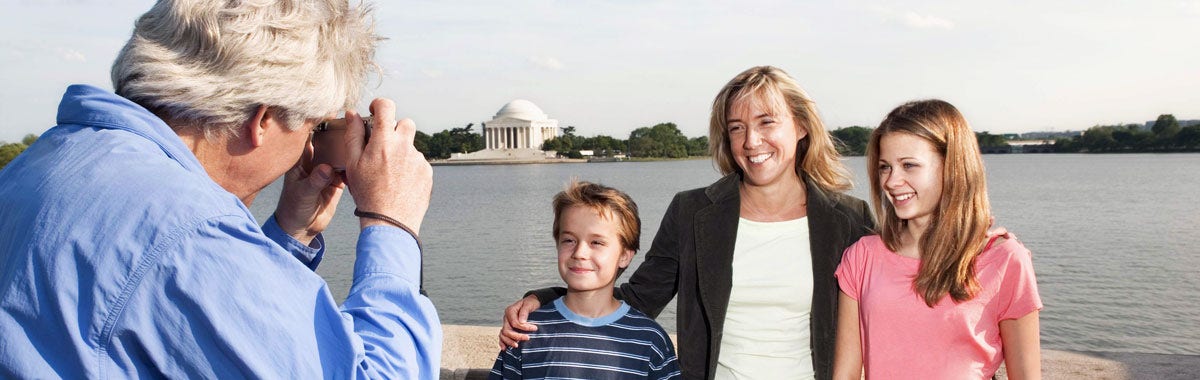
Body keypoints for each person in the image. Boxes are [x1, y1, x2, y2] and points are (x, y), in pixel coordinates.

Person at [0, 1, 441, 378]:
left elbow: (196, 328)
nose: (307, 145)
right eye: (312, 125)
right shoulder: (188, 231)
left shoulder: (44, 163)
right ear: (262, 121)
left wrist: (289, 233)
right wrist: (390, 221)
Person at [500, 66, 875, 380]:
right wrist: (543, 298)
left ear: (801, 127)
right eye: (736, 127)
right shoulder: (692, 212)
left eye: (766, 122)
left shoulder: (849, 220)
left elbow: (878, 317)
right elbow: (638, 299)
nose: (751, 140)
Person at [833, 99, 1042, 379]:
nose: (892, 181)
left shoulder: (1004, 259)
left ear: (951, 167)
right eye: (885, 167)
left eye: (908, 165)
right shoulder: (861, 258)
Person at [489, 181, 680, 379]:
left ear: (625, 255)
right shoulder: (525, 333)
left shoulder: (651, 340)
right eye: (569, 240)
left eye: (596, 242)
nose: (580, 253)